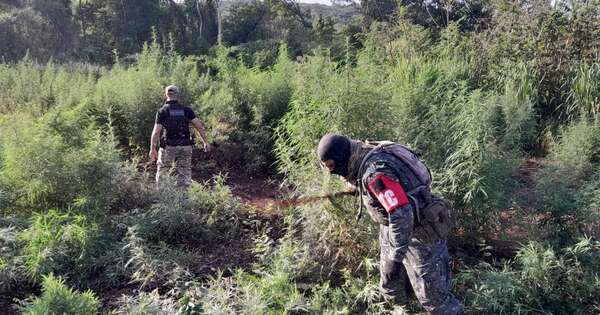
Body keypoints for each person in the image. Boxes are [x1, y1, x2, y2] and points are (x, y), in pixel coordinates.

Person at [317, 133, 463, 315]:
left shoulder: (375, 174)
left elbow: (402, 215)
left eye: (331, 165)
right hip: (392, 231)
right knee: (391, 287)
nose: (331, 171)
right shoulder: (363, 154)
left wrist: (395, 257)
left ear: (341, 157)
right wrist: (359, 189)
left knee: (435, 299)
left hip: (420, 235)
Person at [149, 85, 210, 188]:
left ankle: (163, 198)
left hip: (168, 147)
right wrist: (205, 142)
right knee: (184, 173)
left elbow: (156, 132)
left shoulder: (162, 111)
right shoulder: (187, 110)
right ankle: (184, 199)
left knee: (163, 171)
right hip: (185, 146)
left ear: (166, 95)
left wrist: (152, 148)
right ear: (177, 95)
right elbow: (199, 127)